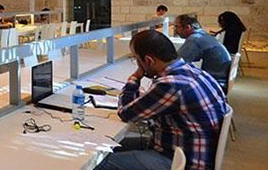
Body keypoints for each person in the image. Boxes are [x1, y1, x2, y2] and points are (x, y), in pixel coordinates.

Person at [96, 30, 227, 170]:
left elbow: (126, 113)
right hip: (194, 152)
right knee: (107, 146)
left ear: (148, 60)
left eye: (137, 60)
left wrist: (134, 78)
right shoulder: (195, 72)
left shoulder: (170, 85)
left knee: (98, 163)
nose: (137, 64)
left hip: (182, 161)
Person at [174, 14, 232, 89]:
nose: (176, 30)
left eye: (177, 27)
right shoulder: (203, 35)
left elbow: (177, 63)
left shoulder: (194, 39)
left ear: (188, 27)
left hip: (214, 83)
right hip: (221, 79)